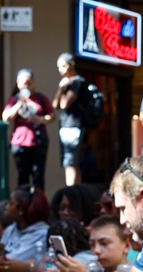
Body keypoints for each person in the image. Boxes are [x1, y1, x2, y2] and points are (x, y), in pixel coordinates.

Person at [38, 215, 131, 272]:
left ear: (126, 246)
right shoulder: (95, 267)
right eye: (92, 244)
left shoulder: (135, 271)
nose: (96, 250)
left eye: (104, 243)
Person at [0, 186, 50, 272]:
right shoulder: (11, 229)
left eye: (11, 203)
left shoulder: (42, 234)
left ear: (21, 209)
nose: (6, 207)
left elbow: (12, 260)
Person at [2, 68, 53, 190]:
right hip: (20, 143)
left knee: (38, 176)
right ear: (18, 84)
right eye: (24, 83)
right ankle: (22, 203)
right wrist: (19, 103)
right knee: (23, 176)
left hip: (38, 142)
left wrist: (41, 119)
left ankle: (38, 204)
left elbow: (52, 115)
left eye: (30, 83)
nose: (27, 86)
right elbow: (6, 118)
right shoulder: (14, 99)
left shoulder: (41, 98)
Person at [53, 53, 87, 186]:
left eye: (63, 66)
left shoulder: (77, 82)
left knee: (70, 162)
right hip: (67, 127)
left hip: (72, 127)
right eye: (58, 67)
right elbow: (55, 105)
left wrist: (62, 88)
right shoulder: (67, 83)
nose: (60, 69)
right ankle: (75, 190)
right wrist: (61, 89)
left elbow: (63, 104)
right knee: (71, 161)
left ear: (72, 65)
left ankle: (71, 192)